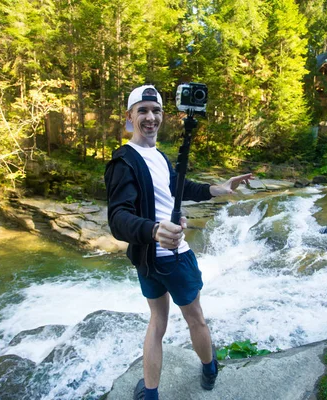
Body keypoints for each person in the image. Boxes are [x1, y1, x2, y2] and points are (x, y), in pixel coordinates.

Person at [104, 85, 252, 400]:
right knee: (194, 317)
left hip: (148, 260)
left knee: (158, 320)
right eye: (142, 110)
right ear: (129, 117)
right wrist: (155, 230)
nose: (150, 117)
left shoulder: (157, 157)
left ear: (162, 116)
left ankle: (152, 392)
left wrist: (216, 188)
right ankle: (210, 368)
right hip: (167, 257)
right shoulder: (123, 162)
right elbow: (118, 218)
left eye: (155, 110)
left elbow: (177, 187)